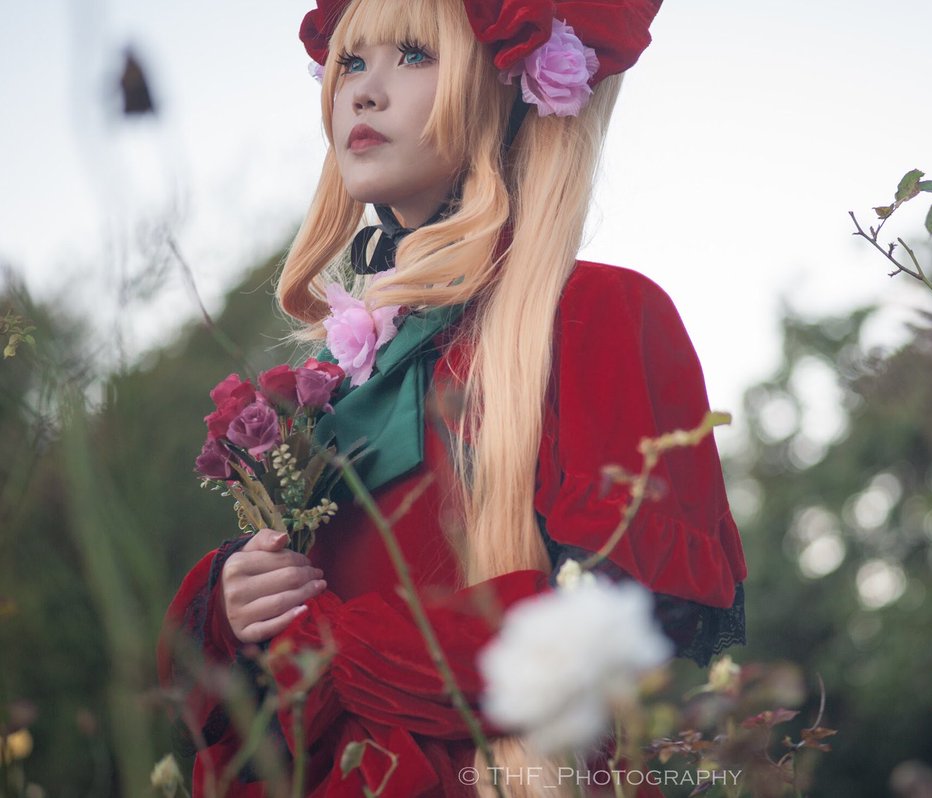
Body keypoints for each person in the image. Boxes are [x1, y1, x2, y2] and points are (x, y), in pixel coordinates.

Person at [157, 0, 747, 795]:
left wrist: (338, 645)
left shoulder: (599, 312)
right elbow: (216, 699)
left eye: (414, 54)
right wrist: (240, 600)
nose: (363, 91)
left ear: (508, 84)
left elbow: (633, 617)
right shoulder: (332, 370)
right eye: (352, 62)